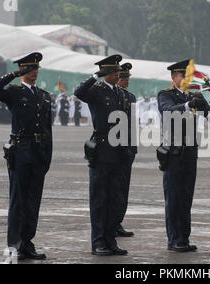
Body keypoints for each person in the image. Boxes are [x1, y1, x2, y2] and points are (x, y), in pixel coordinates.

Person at [0, 52, 53, 260]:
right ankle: (14, 245)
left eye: (35, 69)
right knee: (18, 200)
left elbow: (47, 128)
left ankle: (27, 243)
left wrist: (47, 156)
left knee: (33, 201)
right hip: (21, 150)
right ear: (23, 71)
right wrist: (14, 74)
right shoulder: (14, 92)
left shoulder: (44, 95)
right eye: (29, 69)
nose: (33, 72)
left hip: (38, 151)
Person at [74, 54, 129, 256]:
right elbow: (79, 92)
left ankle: (110, 240)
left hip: (118, 149)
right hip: (101, 148)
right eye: (114, 71)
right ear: (106, 73)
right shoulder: (96, 91)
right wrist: (95, 75)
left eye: (118, 71)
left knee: (114, 198)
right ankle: (98, 242)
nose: (118, 74)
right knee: (99, 199)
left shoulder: (120, 93)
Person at [157, 60, 210, 252]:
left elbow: (209, 113)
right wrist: (188, 105)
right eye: (183, 76)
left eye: (188, 76)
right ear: (174, 77)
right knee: (173, 198)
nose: (186, 79)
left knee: (186, 197)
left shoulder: (194, 94)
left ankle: (184, 238)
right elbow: (167, 110)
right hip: (173, 153)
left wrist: (208, 96)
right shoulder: (166, 94)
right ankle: (174, 239)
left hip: (189, 152)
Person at [115, 63, 137, 238]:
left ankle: (118, 222)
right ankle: (110, 222)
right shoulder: (113, 95)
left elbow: (133, 124)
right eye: (124, 77)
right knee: (112, 188)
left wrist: (134, 147)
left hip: (128, 146)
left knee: (123, 188)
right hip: (115, 146)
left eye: (128, 77)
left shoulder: (131, 97)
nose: (127, 80)